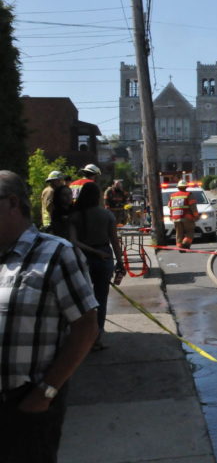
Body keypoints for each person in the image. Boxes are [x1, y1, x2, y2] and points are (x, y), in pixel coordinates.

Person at [0, 169, 99, 463]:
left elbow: (86, 328)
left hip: (24, 405)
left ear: (12, 203)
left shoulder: (57, 254)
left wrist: (45, 393)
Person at [69, 182, 125, 351]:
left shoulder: (75, 216)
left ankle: (80, 338)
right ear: (98, 197)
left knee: (82, 301)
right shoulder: (107, 215)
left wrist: (90, 250)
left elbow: (72, 241)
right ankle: (96, 337)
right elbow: (115, 241)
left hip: (80, 260)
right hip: (104, 258)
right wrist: (120, 262)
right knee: (100, 300)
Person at [167, 179, 198, 249]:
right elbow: (193, 207)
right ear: (186, 187)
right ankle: (185, 243)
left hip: (175, 218)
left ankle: (179, 246)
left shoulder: (172, 196)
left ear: (178, 187)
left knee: (179, 233)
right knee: (190, 231)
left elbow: (169, 206)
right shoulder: (189, 195)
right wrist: (196, 216)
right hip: (187, 217)